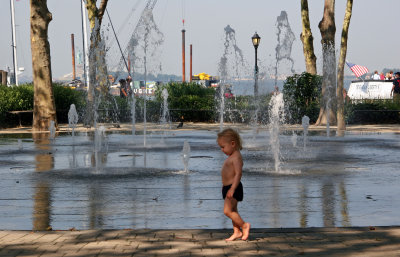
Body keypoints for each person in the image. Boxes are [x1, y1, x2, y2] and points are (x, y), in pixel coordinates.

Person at [217, 128, 250, 241]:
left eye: (223, 147)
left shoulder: (236, 157)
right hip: (228, 187)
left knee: (227, 211)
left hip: (233, 187)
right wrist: (225, 186)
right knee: (233, 211)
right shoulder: (232, 156)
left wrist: (232, 188)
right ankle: (237, 232)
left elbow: (238, 174)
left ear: (232, 143)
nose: (222, 150)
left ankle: (244, 225)